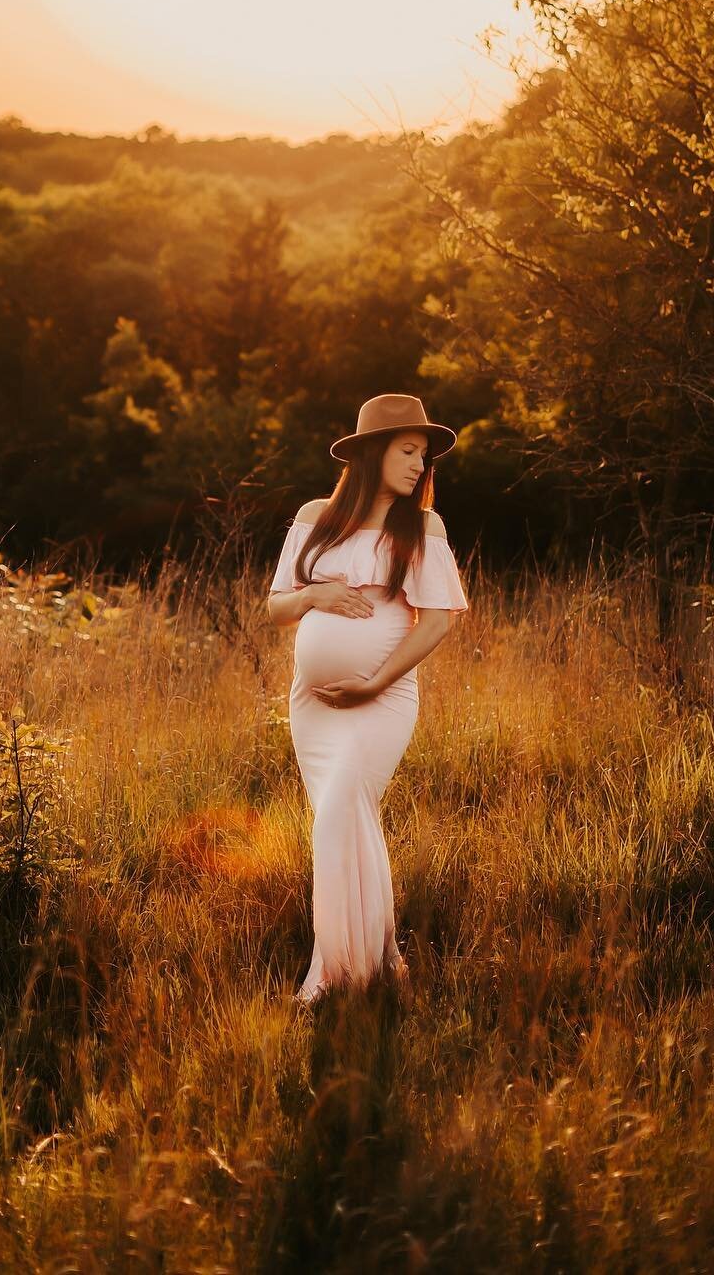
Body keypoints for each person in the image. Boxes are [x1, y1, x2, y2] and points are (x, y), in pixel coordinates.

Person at [266, 394, 469, 1005]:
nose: (419, 466)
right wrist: (314, 599)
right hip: (313, 704)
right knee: (344, 821)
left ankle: (331, 976)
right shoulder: (313, 519)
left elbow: (438, 620)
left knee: (338, 815)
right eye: (407, 452)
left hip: (382, 700)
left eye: (423, 456)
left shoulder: (422, 527)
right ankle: (372, 960)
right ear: (372, 453)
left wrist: (374, 682)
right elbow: (275, 607)